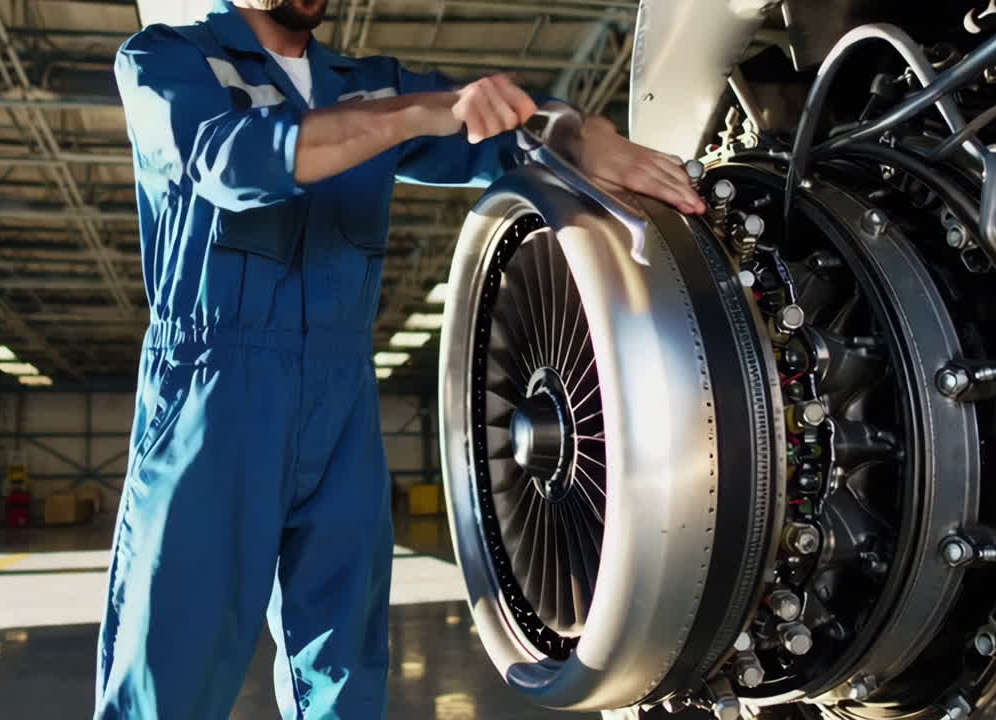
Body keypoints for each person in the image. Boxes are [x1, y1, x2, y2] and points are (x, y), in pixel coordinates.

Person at [96, 0, 704, 717]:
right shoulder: (166, 58)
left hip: (341, 390)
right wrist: (418, 113)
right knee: (176, 654)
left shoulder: (366, 81)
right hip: (215, 386)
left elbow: (505, 125)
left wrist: (581, 137)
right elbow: (230, 163)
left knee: (344, 658)